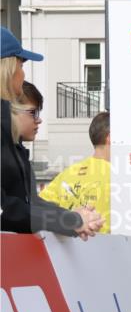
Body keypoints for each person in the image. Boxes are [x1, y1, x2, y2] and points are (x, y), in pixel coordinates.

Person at [0, 29, 103, 238]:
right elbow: (7, 210)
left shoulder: (11, 139)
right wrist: (71, 220)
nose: (24, 74)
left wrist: (71, 218)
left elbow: (27, 203)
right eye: (21, 65)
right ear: (8, 68)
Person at [40, 110, 112, 233]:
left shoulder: (67, 173)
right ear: (110, 138)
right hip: (108, 244)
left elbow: (38, 209)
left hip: (68, 243)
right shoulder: (120, 176)